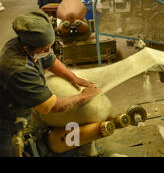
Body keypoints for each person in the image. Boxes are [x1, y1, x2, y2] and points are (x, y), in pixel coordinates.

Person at [0, 11, 101, 156]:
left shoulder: (25, 44)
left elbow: (50, 60)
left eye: (50, 46)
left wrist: (73, 77)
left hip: (20, 108)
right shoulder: (18, 68)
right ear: (27, 48)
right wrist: (83, 97)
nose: (48, 51)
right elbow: (51, 105)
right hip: (5, 120)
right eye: (44, 49)